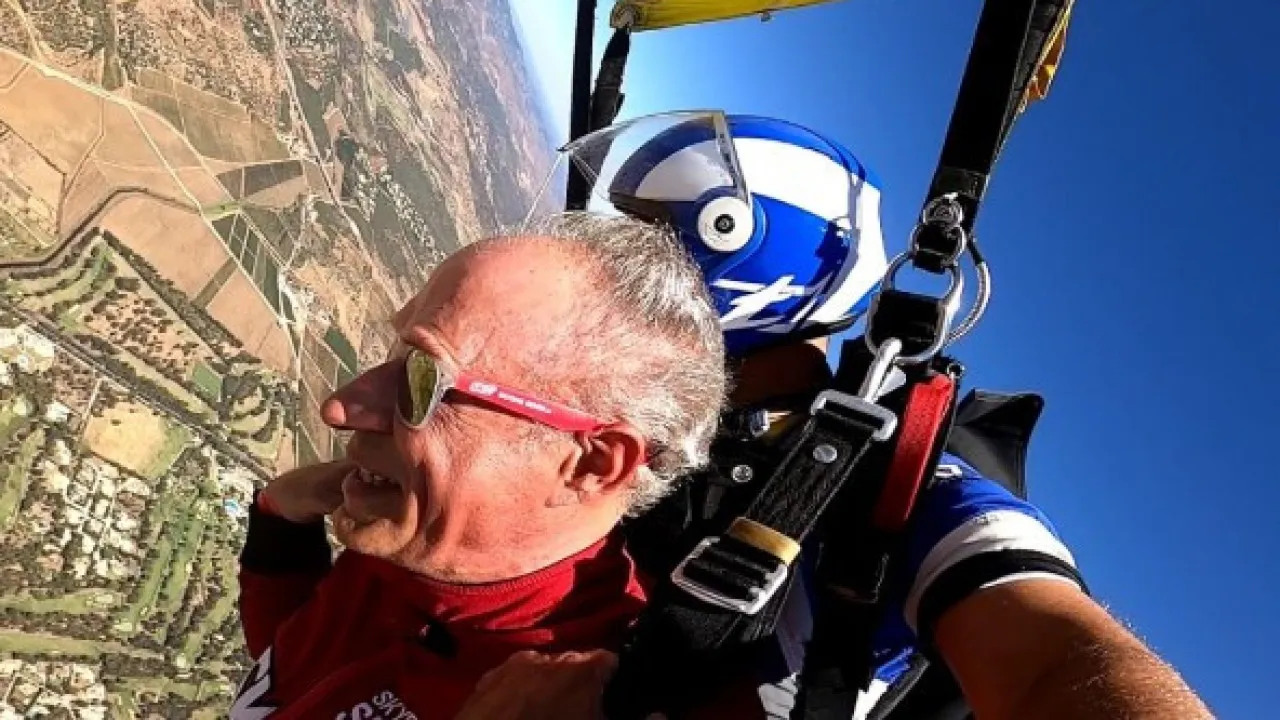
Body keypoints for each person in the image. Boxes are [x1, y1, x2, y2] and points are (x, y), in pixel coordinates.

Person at [455, 112, 1212, 719]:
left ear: (752, 276)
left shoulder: (908, 496)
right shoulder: (651, 416)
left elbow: (1057, 663)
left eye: (643, 242)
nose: (605, 271)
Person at [229, 211, 728, 719]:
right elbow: (291, 675)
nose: (340, 407)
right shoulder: (414, 549)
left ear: (591, 465)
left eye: (424, 378)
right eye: (396, 352)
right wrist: (280, 526)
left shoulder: (572, 700)